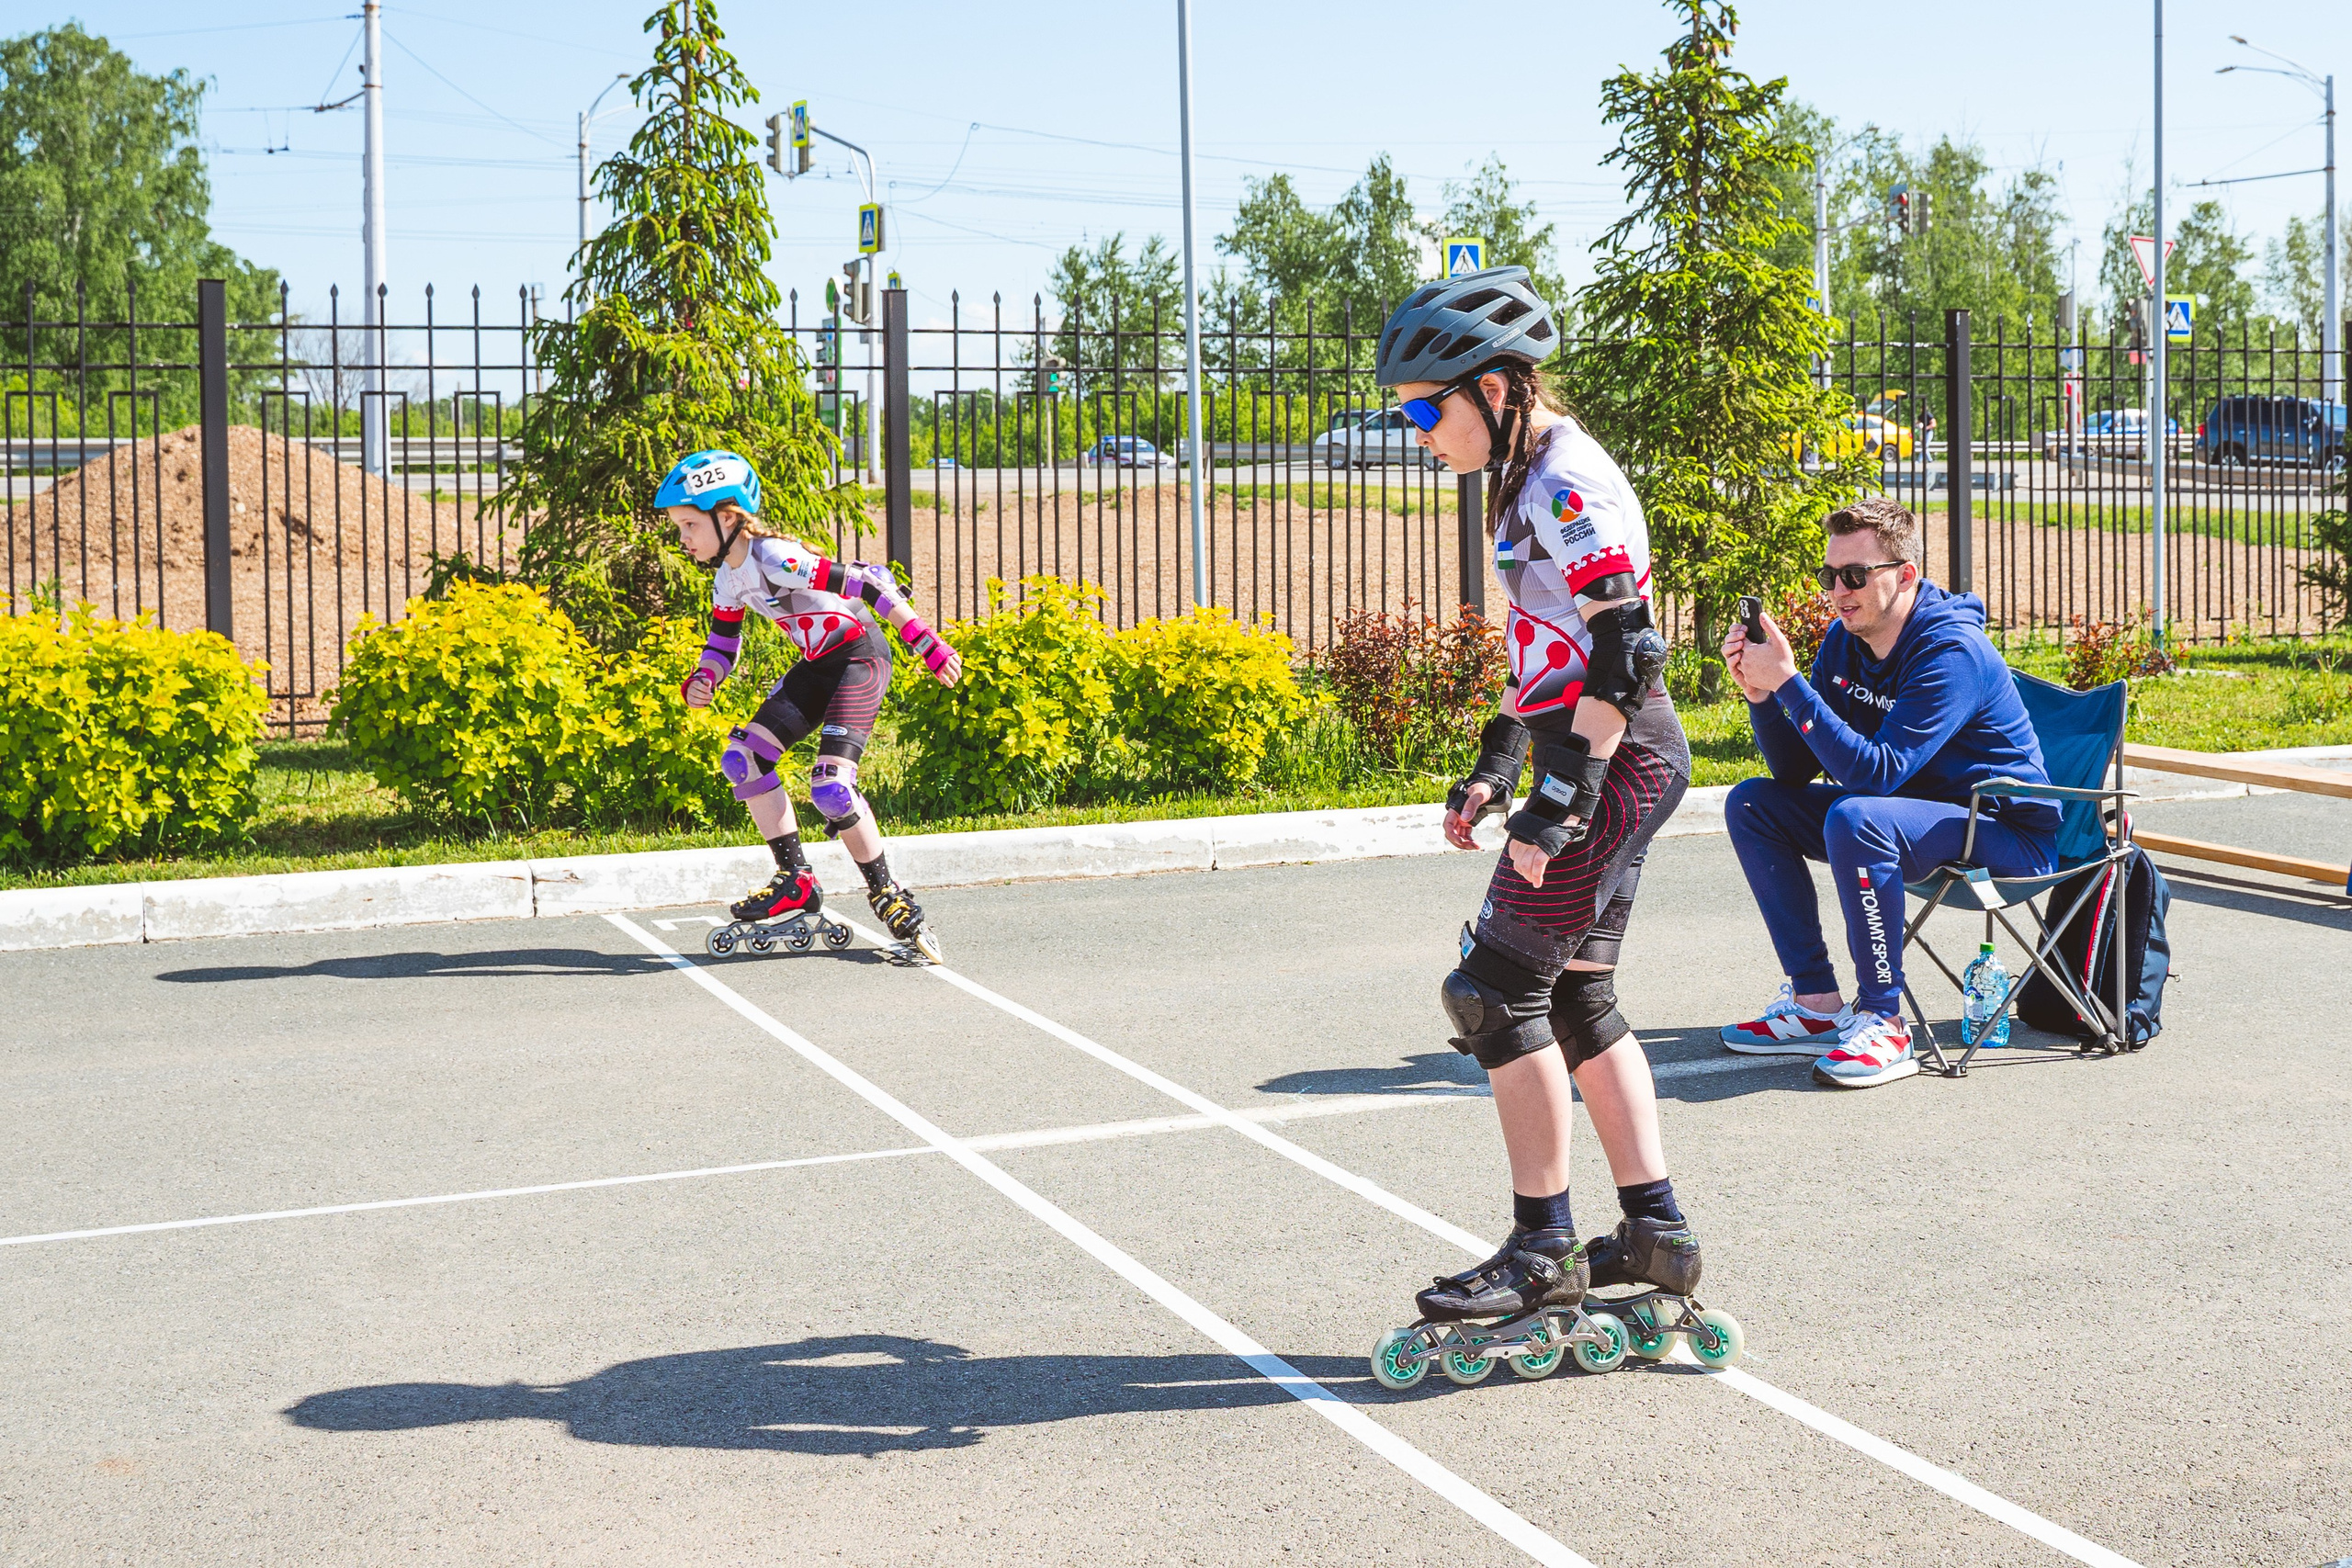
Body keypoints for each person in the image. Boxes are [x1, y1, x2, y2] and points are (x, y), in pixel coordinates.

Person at [1380, 267, 1704, 1335]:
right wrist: (1497, 762)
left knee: (1491, 993)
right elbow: (1555, 653)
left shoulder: (1568, 483)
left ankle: (1542, 1248)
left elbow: (1627, 647)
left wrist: (1560, 797)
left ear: (1497, 387)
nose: (1418, 431)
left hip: (1616, 755)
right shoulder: (1527, 477)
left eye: (1427, 409)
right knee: (1570, 997)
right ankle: (1654, 1231)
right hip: (1605, 748)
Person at [1718, 496, 2058, 1088]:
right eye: (1830, 576)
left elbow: (1875, 775)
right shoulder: (1844, 640)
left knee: (1857, 816)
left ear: (1905, 576)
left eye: (1854, 576)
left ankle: (1884, 1019)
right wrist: (1761, 695)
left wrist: (1791, 684)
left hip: (2003, 830)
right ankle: (1818, 1005)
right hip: (1909, 813)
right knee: (1753, 803)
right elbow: (1794, 771)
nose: (1838, 591)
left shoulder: (1951, 652)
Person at [659, 449, 962, 962]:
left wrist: (924, 640)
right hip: (819, 664)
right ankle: (794, 878)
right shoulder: (727, 578)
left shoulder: (775, 556)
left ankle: (887, 891)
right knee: (743, 758)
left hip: (859, 657)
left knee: (831, 787)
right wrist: (705, 677)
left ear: (727, 516)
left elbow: (869, 580)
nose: (683, 538)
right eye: (679, 526)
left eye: (690, 524)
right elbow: (722, 646)